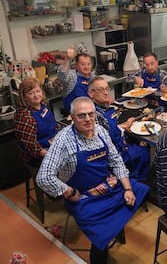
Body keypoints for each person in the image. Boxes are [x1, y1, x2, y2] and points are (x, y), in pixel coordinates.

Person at [37, 97, 149, 264]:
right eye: (82, 116)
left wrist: (127, 189)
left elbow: (116, 161)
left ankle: (112, 230)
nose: (88, 119)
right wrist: (69, 191)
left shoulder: (100, 131)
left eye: (91, 114)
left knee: (139, 190)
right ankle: (99, 253)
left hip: (105, 186)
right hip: (83, 197)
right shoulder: (63, 140)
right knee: (100, 238)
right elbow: (43, 177)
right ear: (72, 117)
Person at [88, 76, 150, 180]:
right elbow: (106, 139)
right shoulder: (94, 114)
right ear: (91, 94)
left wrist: (124, 126)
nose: (106, 92)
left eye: (107, 89)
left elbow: (109, 129)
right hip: (112, 156)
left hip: (118, 144)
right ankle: (135, 181)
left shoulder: (105, 107)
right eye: (100, 89)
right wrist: (123, 130)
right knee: (144, 151)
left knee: (137, 142)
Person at [14, 77, 59, 167]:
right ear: (24, 97)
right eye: (30, 93)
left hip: (52, 145)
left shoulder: (43, 106)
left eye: (38, 91)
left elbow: (54, 126)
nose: (36, 95)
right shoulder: (25, 116)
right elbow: (32, 147)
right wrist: (52, 156)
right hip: (37, 155)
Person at [58, 44, 96, 112]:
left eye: (88, 64)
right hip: (74, 113)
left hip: (91, 110)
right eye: (83, 64)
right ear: (77, 65)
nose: (86, 67)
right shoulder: (72, 75)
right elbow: (62, 75)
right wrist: (67, 58)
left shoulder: (93, 77)